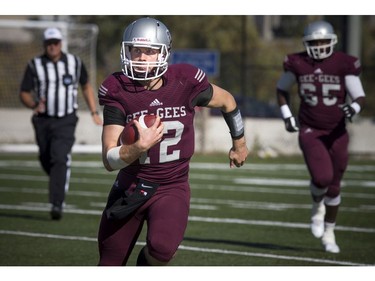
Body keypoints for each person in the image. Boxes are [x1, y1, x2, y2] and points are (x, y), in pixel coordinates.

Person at [97, 17, 249, 266]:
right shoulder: (117, 89)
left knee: (162, 249)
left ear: (163, 54)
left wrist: (239, 144)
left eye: (149, 51)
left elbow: (228, 101)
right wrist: (138, 147)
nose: (142, 57)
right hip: (130, 187)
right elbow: (109, 159)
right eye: (136, 50)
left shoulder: (185, 81)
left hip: (172, 186)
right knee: (109, 264)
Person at [276, 20, 366, 253]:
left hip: (337, 131)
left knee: (335, 187)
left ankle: (329, 232)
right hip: (310, 129)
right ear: (306, 44)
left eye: (323, 41)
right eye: (314, 42)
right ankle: (317, 208)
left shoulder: (343, 63)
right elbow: (282, 89)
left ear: (332, 41)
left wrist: (353, 109)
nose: (319, 46)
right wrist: (287, 115)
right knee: (323, 177)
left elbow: (359, 96)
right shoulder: (298, 63)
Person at [19, 27, 103, 220]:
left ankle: (57, 204)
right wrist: (33, 104)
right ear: (44, 45)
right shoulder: (34, 65)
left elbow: (86, 85)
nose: (52, 47)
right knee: (45, 157)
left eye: (55, 43)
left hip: (66, 119)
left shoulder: (74, 63)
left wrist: (93, 111)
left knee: (59, 158)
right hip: (42, 120)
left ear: (61, 43)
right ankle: (60, 175)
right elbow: (24, 92)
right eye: (49, 43)